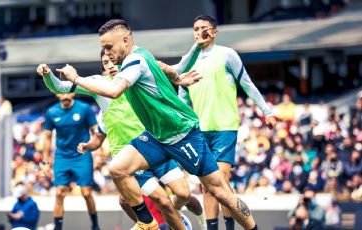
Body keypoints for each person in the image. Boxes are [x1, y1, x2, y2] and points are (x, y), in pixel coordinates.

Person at [56, 19, 259, 230]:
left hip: (182, 135)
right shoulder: (144, 56)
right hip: (156, 136)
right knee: (117, 168)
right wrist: (178, 78)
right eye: (103, 48)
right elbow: (166, 68)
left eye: (109, 47)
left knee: (220, 192)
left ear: (125, 40)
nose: (106, 53)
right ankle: (147, 222)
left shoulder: (135, 61)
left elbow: (114, 91)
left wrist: (76, 78)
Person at [37, 48, 205, 229]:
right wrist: (48, 75)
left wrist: (181, 76)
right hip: (130, 158)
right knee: (162, 202)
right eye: (105, 63)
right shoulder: (99, 85)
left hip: (155, 147)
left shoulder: (138, 75)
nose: (110, 66)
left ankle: (175, 218)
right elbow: (60, 88)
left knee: (184, 194)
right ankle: (156, 222)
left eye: (112, 60)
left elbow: (175, 68)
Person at [172, 15, 276, 230]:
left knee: (218, 181)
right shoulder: (187, 63)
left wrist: (267, 111)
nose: (200, 32)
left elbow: (247, 84)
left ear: (215, 32)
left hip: (224, 128)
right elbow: (182, 100)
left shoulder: (227, 55)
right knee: (210, 188)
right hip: (199, 132)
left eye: (204, 28)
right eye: (196, 29)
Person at [42, 92, 100, 230]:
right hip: (62, 156)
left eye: (68, 91)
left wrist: (98, 153)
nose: (65, 95)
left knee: (86, 193)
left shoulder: (85, 108)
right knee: (59, 193)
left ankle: (95, 226)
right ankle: (57, 228)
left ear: (73, 93)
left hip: (82, 155)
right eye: (61, 92)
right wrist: (45, 162)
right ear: (57, 94)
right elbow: (47, 137)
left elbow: (96, 132)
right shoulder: (51, 112)